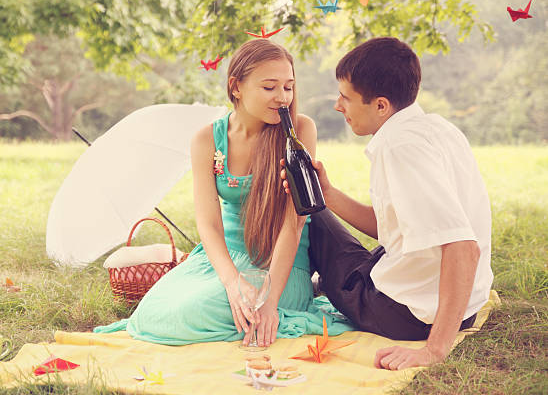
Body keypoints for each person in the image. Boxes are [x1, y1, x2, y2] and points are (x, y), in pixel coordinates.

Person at [95, 39, 352, 346]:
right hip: (220, 261)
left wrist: (269, 301)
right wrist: (232, 283)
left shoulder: (299, 131)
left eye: (288, 86)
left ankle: (276, 310)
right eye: (270, 87)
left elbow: (293, 224)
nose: (283, 97)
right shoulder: (207, 139)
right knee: (155, 313)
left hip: (279, 267)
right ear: (236, 87)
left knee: (205, 312)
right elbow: (209, 224)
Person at [281, 37, 493, 370]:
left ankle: (289, 288)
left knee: (310, 215)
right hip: (462, 306)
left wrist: (434, 350)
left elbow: (464, 248)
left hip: (407, 315)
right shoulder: (438, 128)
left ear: (381, 105)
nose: (338, 106)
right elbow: (399, 228)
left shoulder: (400, 147)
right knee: (321, 207)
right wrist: (329, 193)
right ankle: (326, 279)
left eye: (346, 97)